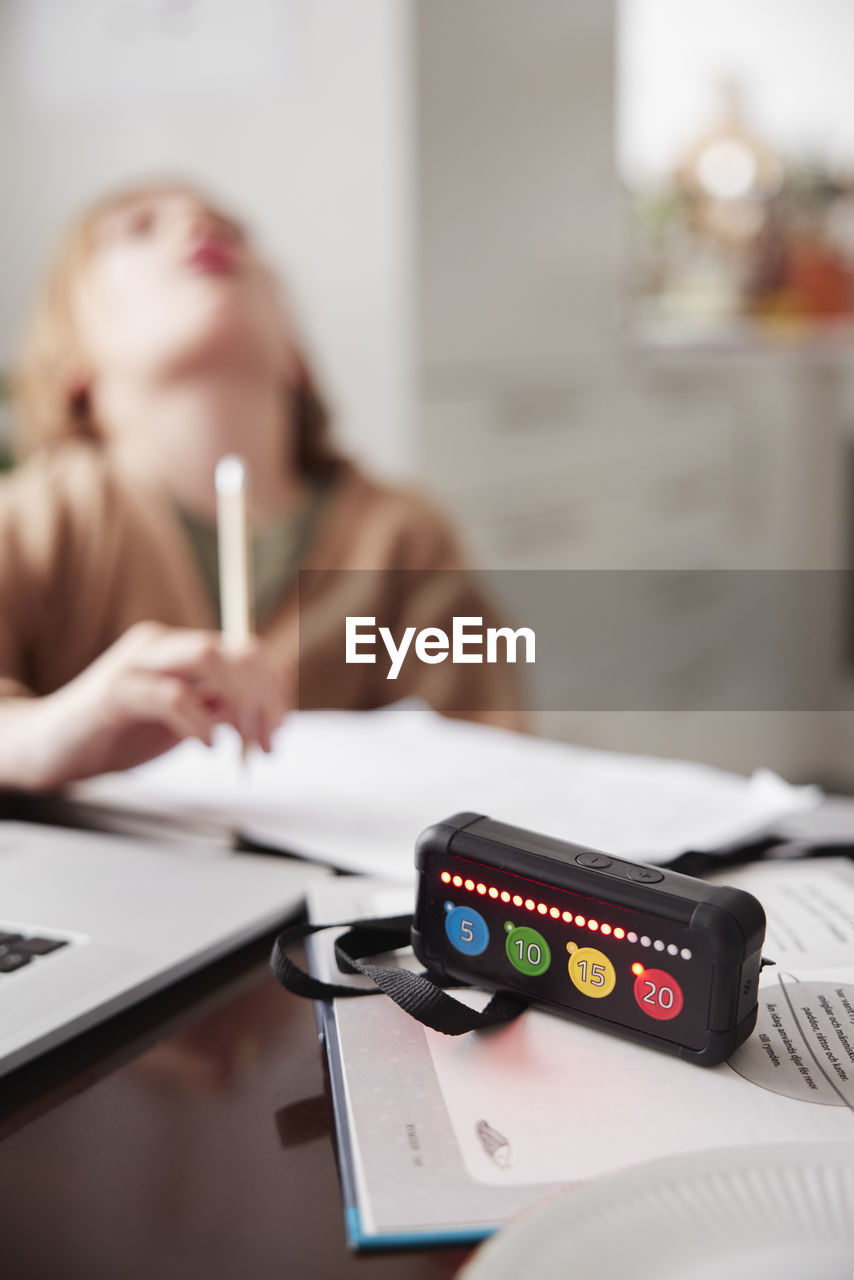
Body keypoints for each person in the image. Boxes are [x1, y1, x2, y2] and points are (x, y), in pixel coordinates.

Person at [0, 181, 522, 791]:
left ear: (294, 355)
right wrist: (46, 737)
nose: (197, 223)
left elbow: (491, 765)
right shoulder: (34, 520)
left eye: (235, 231)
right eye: (139, 227)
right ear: (71, 361)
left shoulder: (404, 538)